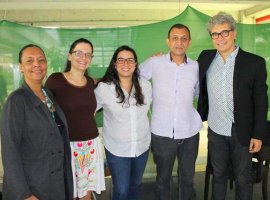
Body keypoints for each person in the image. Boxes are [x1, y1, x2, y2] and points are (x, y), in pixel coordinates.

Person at [197, 12, 268, 200]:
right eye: (215, 34)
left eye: (224, 32)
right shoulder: (205, 58)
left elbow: (261, 103)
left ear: (234, 33)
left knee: (243, 178)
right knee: (218, 176)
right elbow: (186, 69)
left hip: (242, 132)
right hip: (216, 130)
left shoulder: (254, 63)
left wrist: (258, 134)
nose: (220, 38)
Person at [0, 44, 73, 200]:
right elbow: (10, 151)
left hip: (55, 182)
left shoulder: (49, 95)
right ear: (20, 67)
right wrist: (24, 194)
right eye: (29, 61)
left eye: (41, 60)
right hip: (32, 186)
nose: (37, 65)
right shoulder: (16, 101)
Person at [139, 24, 202, 200]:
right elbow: (133, 76)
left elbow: (198, 93)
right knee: (162, 179)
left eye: (184, 38)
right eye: (175, 38)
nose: (179, 42)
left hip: (190, 132)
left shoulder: (196, 67)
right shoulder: (155, 62)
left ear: (189, 42)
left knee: (188, 179)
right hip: (161, 132)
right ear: (168, 41)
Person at [45, 38, 105, 200]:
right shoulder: (55, 80)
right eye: (79, 53)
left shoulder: (91, 84)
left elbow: (115, 78)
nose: (83, 57)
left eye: (88, 55)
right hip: (66, 146)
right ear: (69, 56)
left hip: (90, 146)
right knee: (68, 191)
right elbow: (44, 110)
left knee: (86, 193)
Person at [95, 45, 152, 200]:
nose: (125, 64)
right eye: (121, 60)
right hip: (117, 149)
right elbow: (88, 110)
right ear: (114, 64)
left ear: (135, 64)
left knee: (136, 185)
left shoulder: (145, 85)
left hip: (141, 147)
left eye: (129, 60)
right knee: (121, 189)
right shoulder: (104, 88)